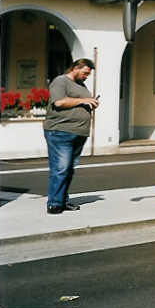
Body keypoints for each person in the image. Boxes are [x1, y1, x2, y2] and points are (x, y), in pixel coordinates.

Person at [44, 58, 99, 215]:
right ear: (75, 68)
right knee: (61, 168)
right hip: (60, 131)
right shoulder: (60, 81)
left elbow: (80, 102)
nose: (86, 77)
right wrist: (84, 101)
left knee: (68, 169)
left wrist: (91, 103)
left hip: (78, 133)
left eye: (88, 74)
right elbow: (59, 103)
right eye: (85, 73)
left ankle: (63, 200)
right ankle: (54, 203)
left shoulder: (81, 85)